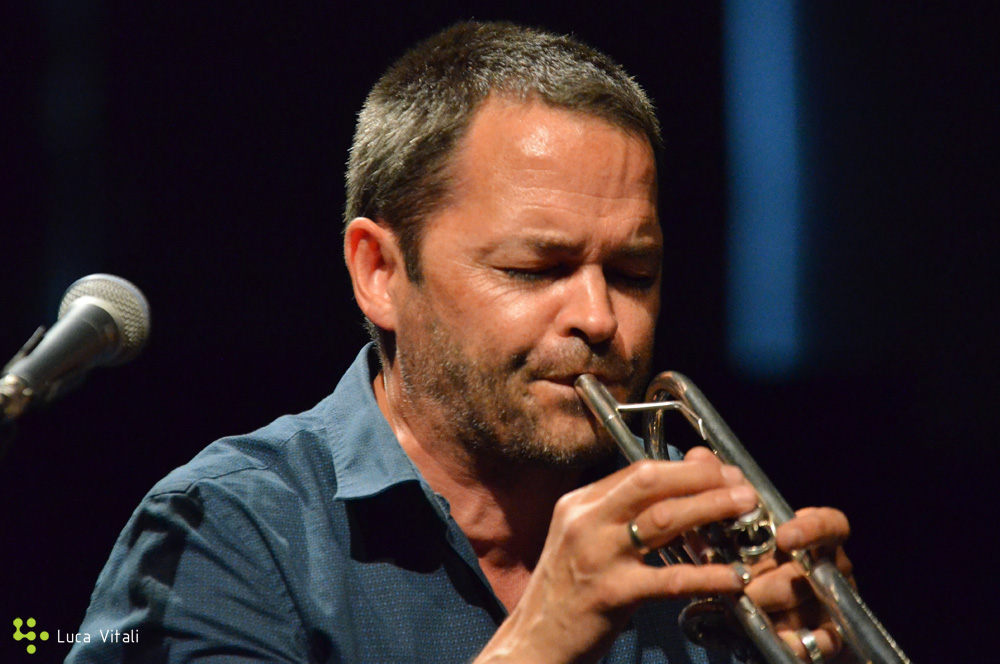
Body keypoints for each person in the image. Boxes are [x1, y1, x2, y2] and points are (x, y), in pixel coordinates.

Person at [68, 22, 853, 664]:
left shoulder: (703, 539)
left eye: (632, 270)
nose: (599, 316)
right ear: (379, 272)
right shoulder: (228, 532)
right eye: (534, 267)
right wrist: (538, 644)